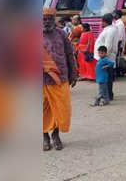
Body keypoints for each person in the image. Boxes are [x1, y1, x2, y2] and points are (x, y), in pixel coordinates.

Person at [43, 8, 77, 151]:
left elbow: (70, 54)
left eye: (50, 18)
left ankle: (56, 135)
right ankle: (44, 137)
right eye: (44, 18)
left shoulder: (62, 34)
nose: (47, 21)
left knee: (61, 109)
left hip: (61, 78)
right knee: (42, 110)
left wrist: (73, 73)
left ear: (54, 19)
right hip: (41, 80)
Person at [94, 13, 118, 101]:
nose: (101, 23)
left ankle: (106, 95)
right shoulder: (111, 29)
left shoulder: (110, 30)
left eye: (102, 21)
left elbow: (108, 46)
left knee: (106, 78)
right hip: (106, 57)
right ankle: (106, 94)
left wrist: (103, 57)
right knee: (107, 77)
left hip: (106, 58)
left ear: (105, 22)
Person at [113, 9, 126, 75]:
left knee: (118, 58)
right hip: (118, 44)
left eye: (114, 14)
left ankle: (119, 72)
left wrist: (118, 46)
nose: (113, 15)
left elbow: (120, 37)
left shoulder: (120, 24)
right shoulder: (117, 23)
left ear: (117, 15)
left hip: (119, 44)